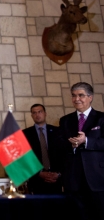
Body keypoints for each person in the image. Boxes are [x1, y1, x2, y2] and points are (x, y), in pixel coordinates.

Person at [59, 82, 104, 217]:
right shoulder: (65, 120)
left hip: (97, 179)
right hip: (73, 180)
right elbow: (60, 145)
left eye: (81, 95)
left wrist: (87, 141)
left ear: (90, 97)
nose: (76, 99)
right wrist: (72, 145)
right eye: (73, 95)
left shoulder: (102, 118)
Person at [22, 104, 62, 194]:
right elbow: (24, 159)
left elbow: (63, 155)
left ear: (45, 113)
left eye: (40, 112)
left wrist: (58, 174)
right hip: (36, 181)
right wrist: (39, 173)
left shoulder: (57, 131)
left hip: (56, 180)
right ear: (32, 116)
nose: (37, 115)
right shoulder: (25, 134)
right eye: (34, 113)